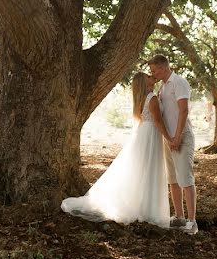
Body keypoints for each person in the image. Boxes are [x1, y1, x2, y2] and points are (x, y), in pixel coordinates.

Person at [61, 72, 171, 227]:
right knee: (150, 169)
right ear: (144, 82)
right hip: (151, 134)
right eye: (148, 76)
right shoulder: (151, 98)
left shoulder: (143, 98)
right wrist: (170, 139)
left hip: (145, 134)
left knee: (144, 169)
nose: (151, 76)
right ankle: (148, 208)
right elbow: (159, 122)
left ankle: (144, 206)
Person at [148, 54, 197, 235]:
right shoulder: (162, 87)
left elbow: (183, 110)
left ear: (162, 67)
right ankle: (179, 217)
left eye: (154, 70)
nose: (152, 73)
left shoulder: (179, 82)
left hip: (182, 137)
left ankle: (192, 222)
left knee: (186, 179)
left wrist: (177, 137)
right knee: (173, 180)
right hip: (169, 139)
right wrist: (169, 139)